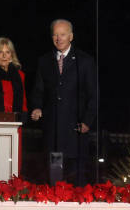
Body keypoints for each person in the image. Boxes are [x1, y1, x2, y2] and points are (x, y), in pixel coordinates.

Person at [30, 19, 96, 185]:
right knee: (52, 178)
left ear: (71, 37)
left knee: (76, 179)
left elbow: (94, 95)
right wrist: (37, 107)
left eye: (63, 34)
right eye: (55, 35)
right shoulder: (44, 61)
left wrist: (88, 121)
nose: (58, 38)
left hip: (76, 129)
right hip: (52, 129)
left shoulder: (85, 61)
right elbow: (38, 90)